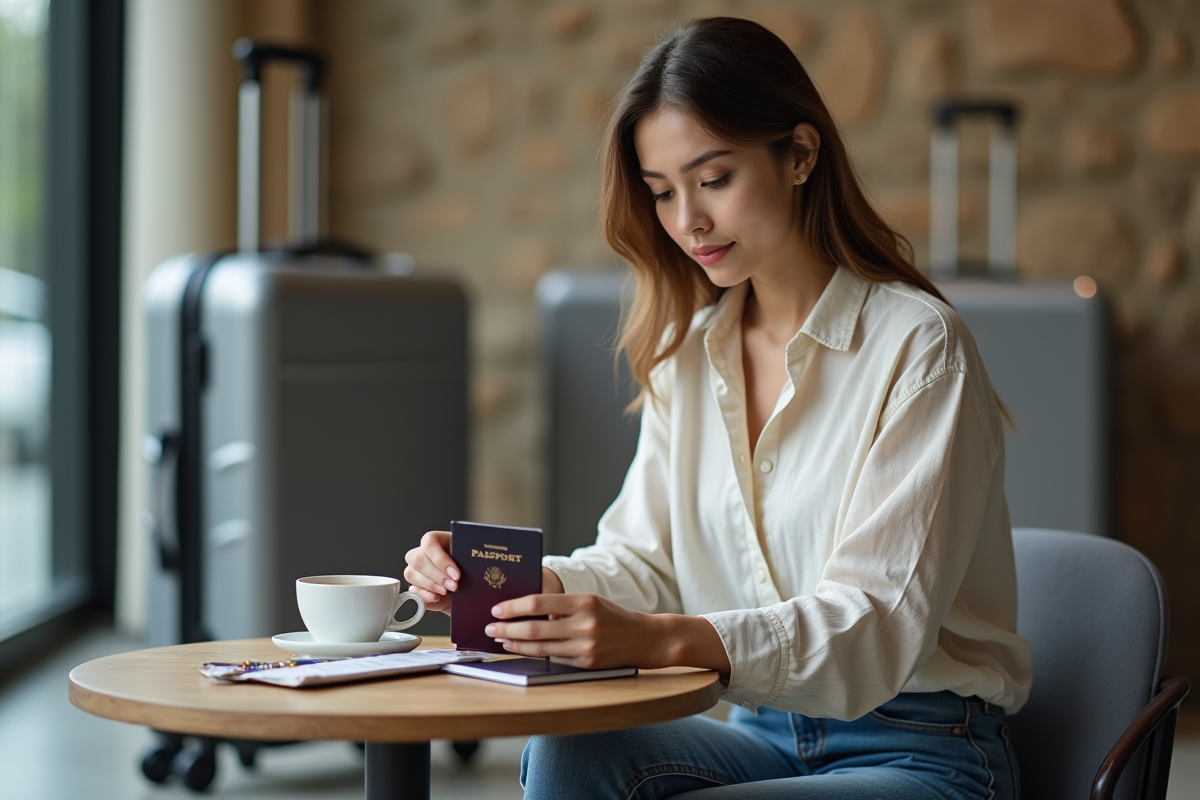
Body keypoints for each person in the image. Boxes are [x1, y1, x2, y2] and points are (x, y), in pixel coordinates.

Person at [405, 16, 1031, 800]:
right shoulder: (690, 355)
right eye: (663, 192)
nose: (687, 221)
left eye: (714, 179)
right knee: (568, 755)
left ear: (800, 155)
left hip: (922, 749)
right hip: (761, 731)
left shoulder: (919, 347)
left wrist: (659, 640)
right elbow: (643, 564)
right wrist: (505, 584)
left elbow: (873, 625)